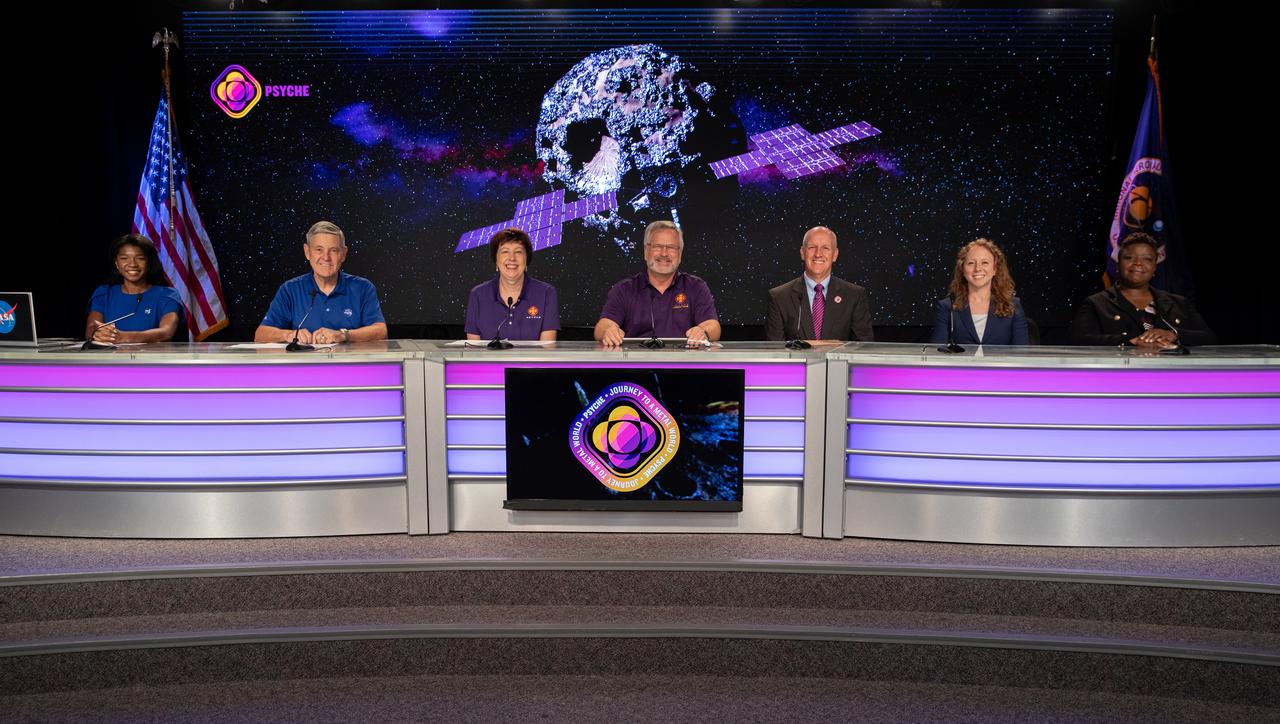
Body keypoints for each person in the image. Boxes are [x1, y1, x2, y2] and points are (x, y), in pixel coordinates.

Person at [1069, 232, 1215, 348]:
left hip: (1171, 378)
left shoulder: (1179, 303)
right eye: (1129, 257)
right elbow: (1078, 340)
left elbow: (1209, 338)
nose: (1138, 263)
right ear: (1118, 264)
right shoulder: (1096, 303)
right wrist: (1130, 342)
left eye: (1147, 259)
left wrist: (1174, 334)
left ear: (1154, 268)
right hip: (1120, 378)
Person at [255, 221, 387, 344]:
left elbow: (381, 331)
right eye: (319, 249)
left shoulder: (363, 288)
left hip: (350, 367)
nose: (326, 257)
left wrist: (343, 335)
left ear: (343, 254)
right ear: (307, 252)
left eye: (333, 250)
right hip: (304, 368)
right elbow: (261, 335)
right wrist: (288, 335)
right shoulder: (289, 290)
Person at [595, 220, 721, 347]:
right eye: (658, 246)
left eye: (671, 247)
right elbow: (602, 326)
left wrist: (703, 332)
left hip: (683, 363)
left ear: (680, 254)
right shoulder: (624, 289)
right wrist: (608, 331)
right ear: (646, 251)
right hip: (636, 364)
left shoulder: (696, 287)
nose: (664, 253)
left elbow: (713, 327)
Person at [764, 226, 874, 342]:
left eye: (825, 248)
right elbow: (775, 351)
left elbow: (863, 348)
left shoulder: (854, 296)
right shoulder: (779, 297)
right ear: (802, 252)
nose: (818, 254)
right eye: (812, 247)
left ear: (835, 255)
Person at [84, 234, 184, 344]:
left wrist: (124, 337)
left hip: (152, 360)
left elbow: (166, 332)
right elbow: (92, 327)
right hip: (110, 359)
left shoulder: (167, 295)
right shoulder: (104, 293)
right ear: (116, 263)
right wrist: (97, 334)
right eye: (124, 258)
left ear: (149, 263)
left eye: (140, 258)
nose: (132, 264)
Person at [464, 228, 559, 342]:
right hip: (489, 360)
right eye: (505, 252)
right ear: (496, 260)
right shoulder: (478, 295)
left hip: (533, 360)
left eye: (518, 252)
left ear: (526, 259)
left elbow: (547, 349)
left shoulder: (546, 293)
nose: (512, 258)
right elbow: (474, 350)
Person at [930, 238, 1029, 346]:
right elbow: (937, 354)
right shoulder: (946, 307)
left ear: (995, 269)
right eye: (971, 263)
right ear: (962, 269)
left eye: (985, 262)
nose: (977, 268)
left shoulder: (1013, 305)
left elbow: (1021, 354)